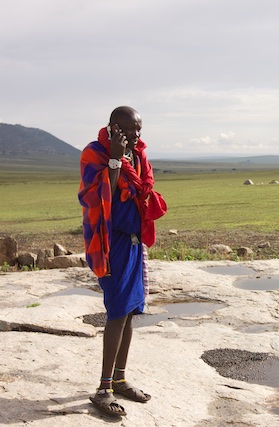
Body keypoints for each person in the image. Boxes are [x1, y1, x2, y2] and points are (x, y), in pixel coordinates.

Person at [78, 106, 167, 417]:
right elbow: (100, 195)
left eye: (139, 130)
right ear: (115, 127)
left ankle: (120, 378)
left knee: (129, 312)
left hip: (132, 241)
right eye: (130, 129)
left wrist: (128, 156)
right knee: (117, 312)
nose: (136, 135)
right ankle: (103, 390)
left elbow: (142, 190)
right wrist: (115, 157)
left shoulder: (138, 155)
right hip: (109, 242)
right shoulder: (94, 153)